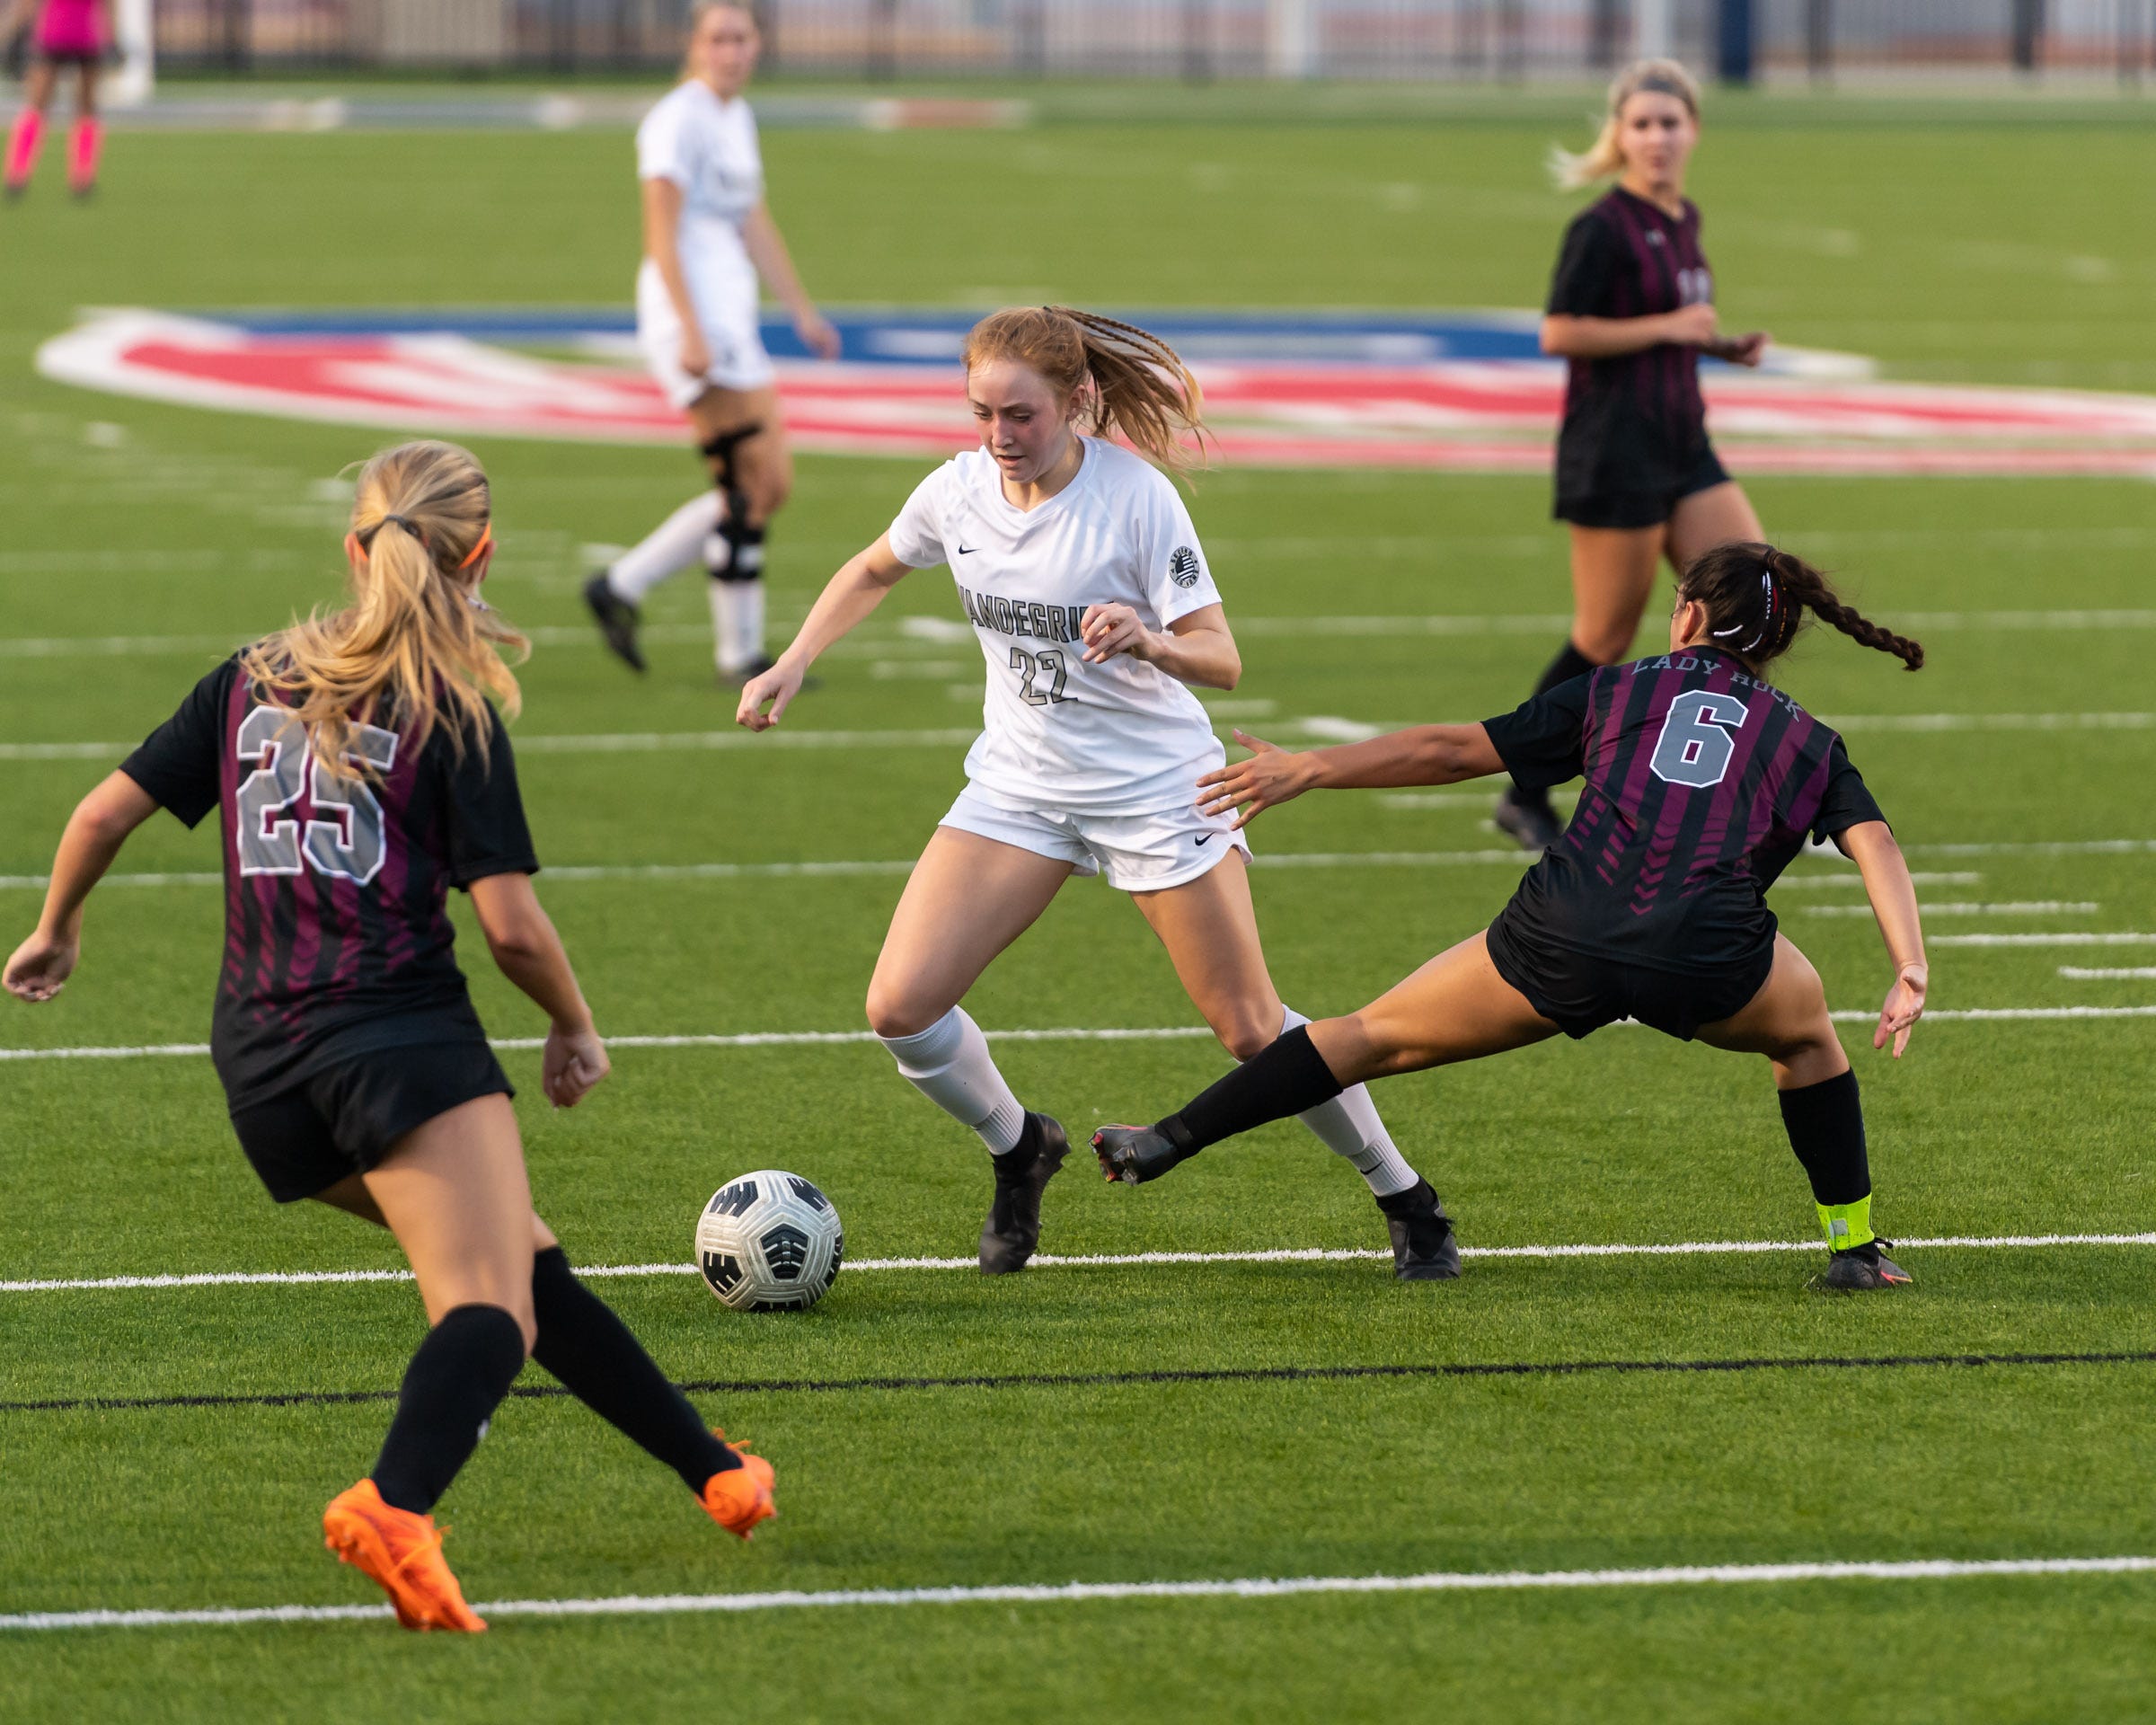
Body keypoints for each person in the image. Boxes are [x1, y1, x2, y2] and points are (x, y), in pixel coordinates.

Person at [4, 441, 775, 1634]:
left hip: (261, 1069)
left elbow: (105, 809)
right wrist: (573, 1025)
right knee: (488, 1310)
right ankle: (395, 1504)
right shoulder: (450, 711)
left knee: (518, 1258)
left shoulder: (248, 678)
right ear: (482, 558)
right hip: (396, 1044)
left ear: (354, 548)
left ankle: (715, 1472)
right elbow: (512, 929)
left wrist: (56, 931)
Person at [736, 305, 1454, 1280]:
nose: (1000, 435)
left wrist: (1152, 639)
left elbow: (1223, 659)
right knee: (900, 1006)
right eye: (983, 411)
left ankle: (1405, 1196)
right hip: (1022, 790)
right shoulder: (956, 491)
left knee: (1249, 1028)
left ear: (1076, 403)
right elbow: (871, 568)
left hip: (1155, 793)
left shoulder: (1135, 499)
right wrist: (793, 659)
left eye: (1021, 415)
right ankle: (1020, 1147)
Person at [1095, 542, 1930, 1294]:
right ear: (1777, 643)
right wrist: (1909, 963)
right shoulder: (1807, 738)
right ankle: (1853, 1248)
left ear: (1693, 615)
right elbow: (1877, 843)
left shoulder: (1619, 686)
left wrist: (1316, 767)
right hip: (1707, 955)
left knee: (1370, 1036)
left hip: (1565, 930)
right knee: (1809, 1039)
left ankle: (1171, 1136)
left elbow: (1456, 750)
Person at [1495, 58, 1771, 853]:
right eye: (1641, 125)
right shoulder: (1601, 227)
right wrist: (1670, 329)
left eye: (1669, 123)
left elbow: (1670, 325)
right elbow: (1560, 331)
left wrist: (1722, 347)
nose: (1656, 137)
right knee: (1604, 638)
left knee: (1751, 598)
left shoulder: (1683, 218)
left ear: (1694, 131)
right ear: (1620, 136)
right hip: (1615, 452)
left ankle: (1737, 786)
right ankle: (1524, 792)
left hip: (1684, 444)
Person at [584, 0, 839, 687]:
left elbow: (752, 220)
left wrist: (802, 312)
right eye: (717, 38)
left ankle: (623, 583)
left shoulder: (735, 117)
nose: (731, 50)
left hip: (730, 317)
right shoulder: (678, 120)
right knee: (750, 483)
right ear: (695, 47)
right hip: (693, 319)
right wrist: (691, 330)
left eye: (741, 37)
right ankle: (740, 655)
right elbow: (660, 235)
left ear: (756, 44)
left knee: (763, 487)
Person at [3, 0, 110, 199]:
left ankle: (17, 175)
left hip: (55, 33)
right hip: (85, 34)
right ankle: (82, 179)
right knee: (86, 108)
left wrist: (11, 36)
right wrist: (111, 37)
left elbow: (26, 5)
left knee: (37, 106)